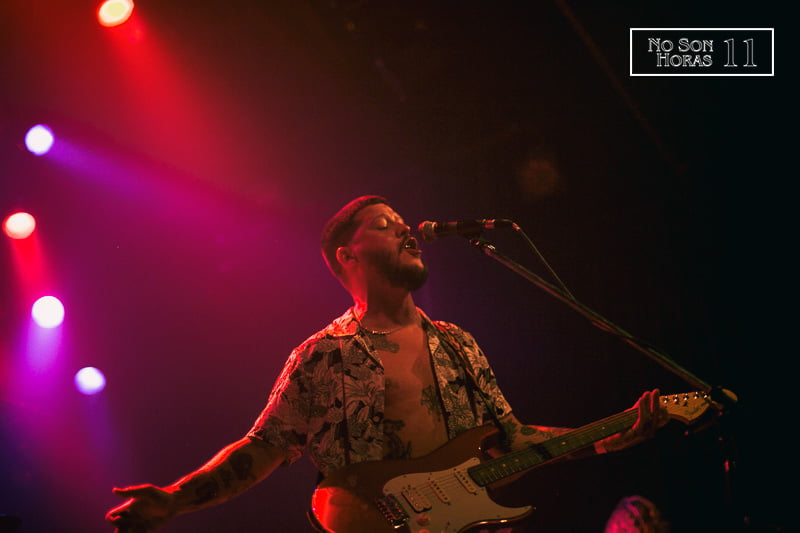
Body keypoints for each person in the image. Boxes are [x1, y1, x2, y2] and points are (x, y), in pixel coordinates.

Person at [106, 195, 668, 532]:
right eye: (383, 223)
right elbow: (262, 447)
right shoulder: (322, 355)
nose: (405, 227)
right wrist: (176, 498)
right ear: (347, 256)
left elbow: (513, 440)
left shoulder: (458, 343)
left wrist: (608, 436)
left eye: (401, 219)